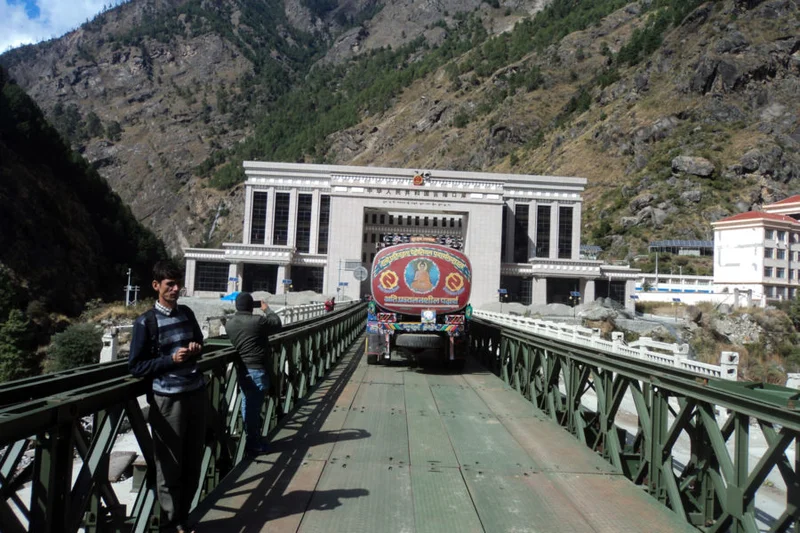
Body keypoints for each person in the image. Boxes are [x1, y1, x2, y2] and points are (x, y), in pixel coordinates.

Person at [128, 261, 205, 533]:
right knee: (169, 461)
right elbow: (136, 367)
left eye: (177, 284)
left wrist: (195, 348)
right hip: (167, 399)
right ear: (156, 286)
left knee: (194, 458)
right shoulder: (145, 322)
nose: (175, 289)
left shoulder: (186, 313)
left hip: (195, 392)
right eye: (169, 285)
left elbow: (200, 343)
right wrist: (170, 360)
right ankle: (174, 522)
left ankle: (184, 514)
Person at [225, 292, 282, 454]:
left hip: (243, 369)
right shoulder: (257, 321)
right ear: (251, 306)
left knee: (247, 403)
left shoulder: (230, 324)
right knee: (253, 408)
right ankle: (253, 442)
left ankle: (251, 437)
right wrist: (267, 309)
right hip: (257, 368)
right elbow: (277, 323)